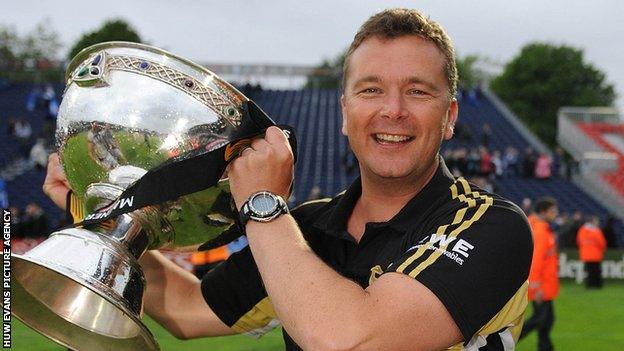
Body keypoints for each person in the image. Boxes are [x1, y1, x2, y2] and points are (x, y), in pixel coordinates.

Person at [44, 9, 533, 350]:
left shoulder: (492, 227)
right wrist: (104, 218)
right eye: (371, 89)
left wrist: (261, 203)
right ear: (345, 112)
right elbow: (189, 311)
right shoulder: (306, 231)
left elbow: (349, 339)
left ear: (449, 117)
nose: (393, 110)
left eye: (418, 92)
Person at [520, 197, 559, 351]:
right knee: (540, 319)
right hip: (541, 285)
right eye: (553, 211)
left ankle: (546, 347)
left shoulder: (536, 226)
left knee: (547, 319)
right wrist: (535, 284)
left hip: (544, 283)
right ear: (543, 211)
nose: (555, 214)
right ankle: (505, 342)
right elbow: (536, 258)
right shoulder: (541, 230)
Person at [576, 216, 607, 288]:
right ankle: (597, 285)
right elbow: (602, 242)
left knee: (589, 271)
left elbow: (578, 241)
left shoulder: (582, 230)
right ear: (593, 221)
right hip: (595, 254)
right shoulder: (596, 230)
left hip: (585, 254)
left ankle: (589, 285)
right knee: (596, 271)